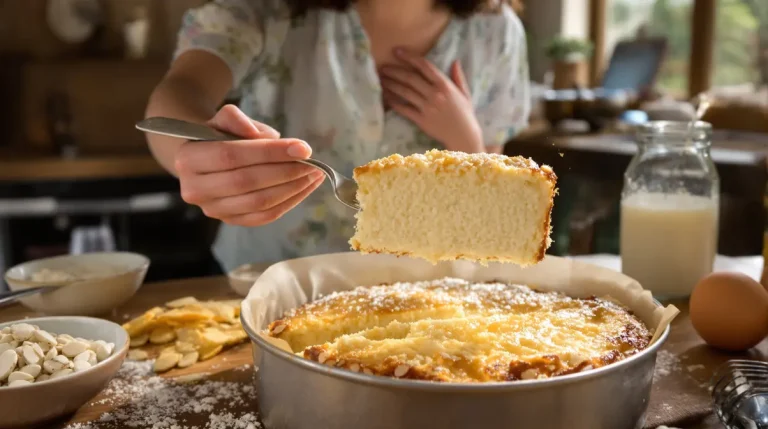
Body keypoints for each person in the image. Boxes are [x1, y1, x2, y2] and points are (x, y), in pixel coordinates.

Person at [145, 0, 531, 272]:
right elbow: (181, 91)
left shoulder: (497, 32)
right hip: (259, 277)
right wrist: (192, 152)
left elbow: (486, 197)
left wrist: (466, 137)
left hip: (416, 293)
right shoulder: (268, 11)